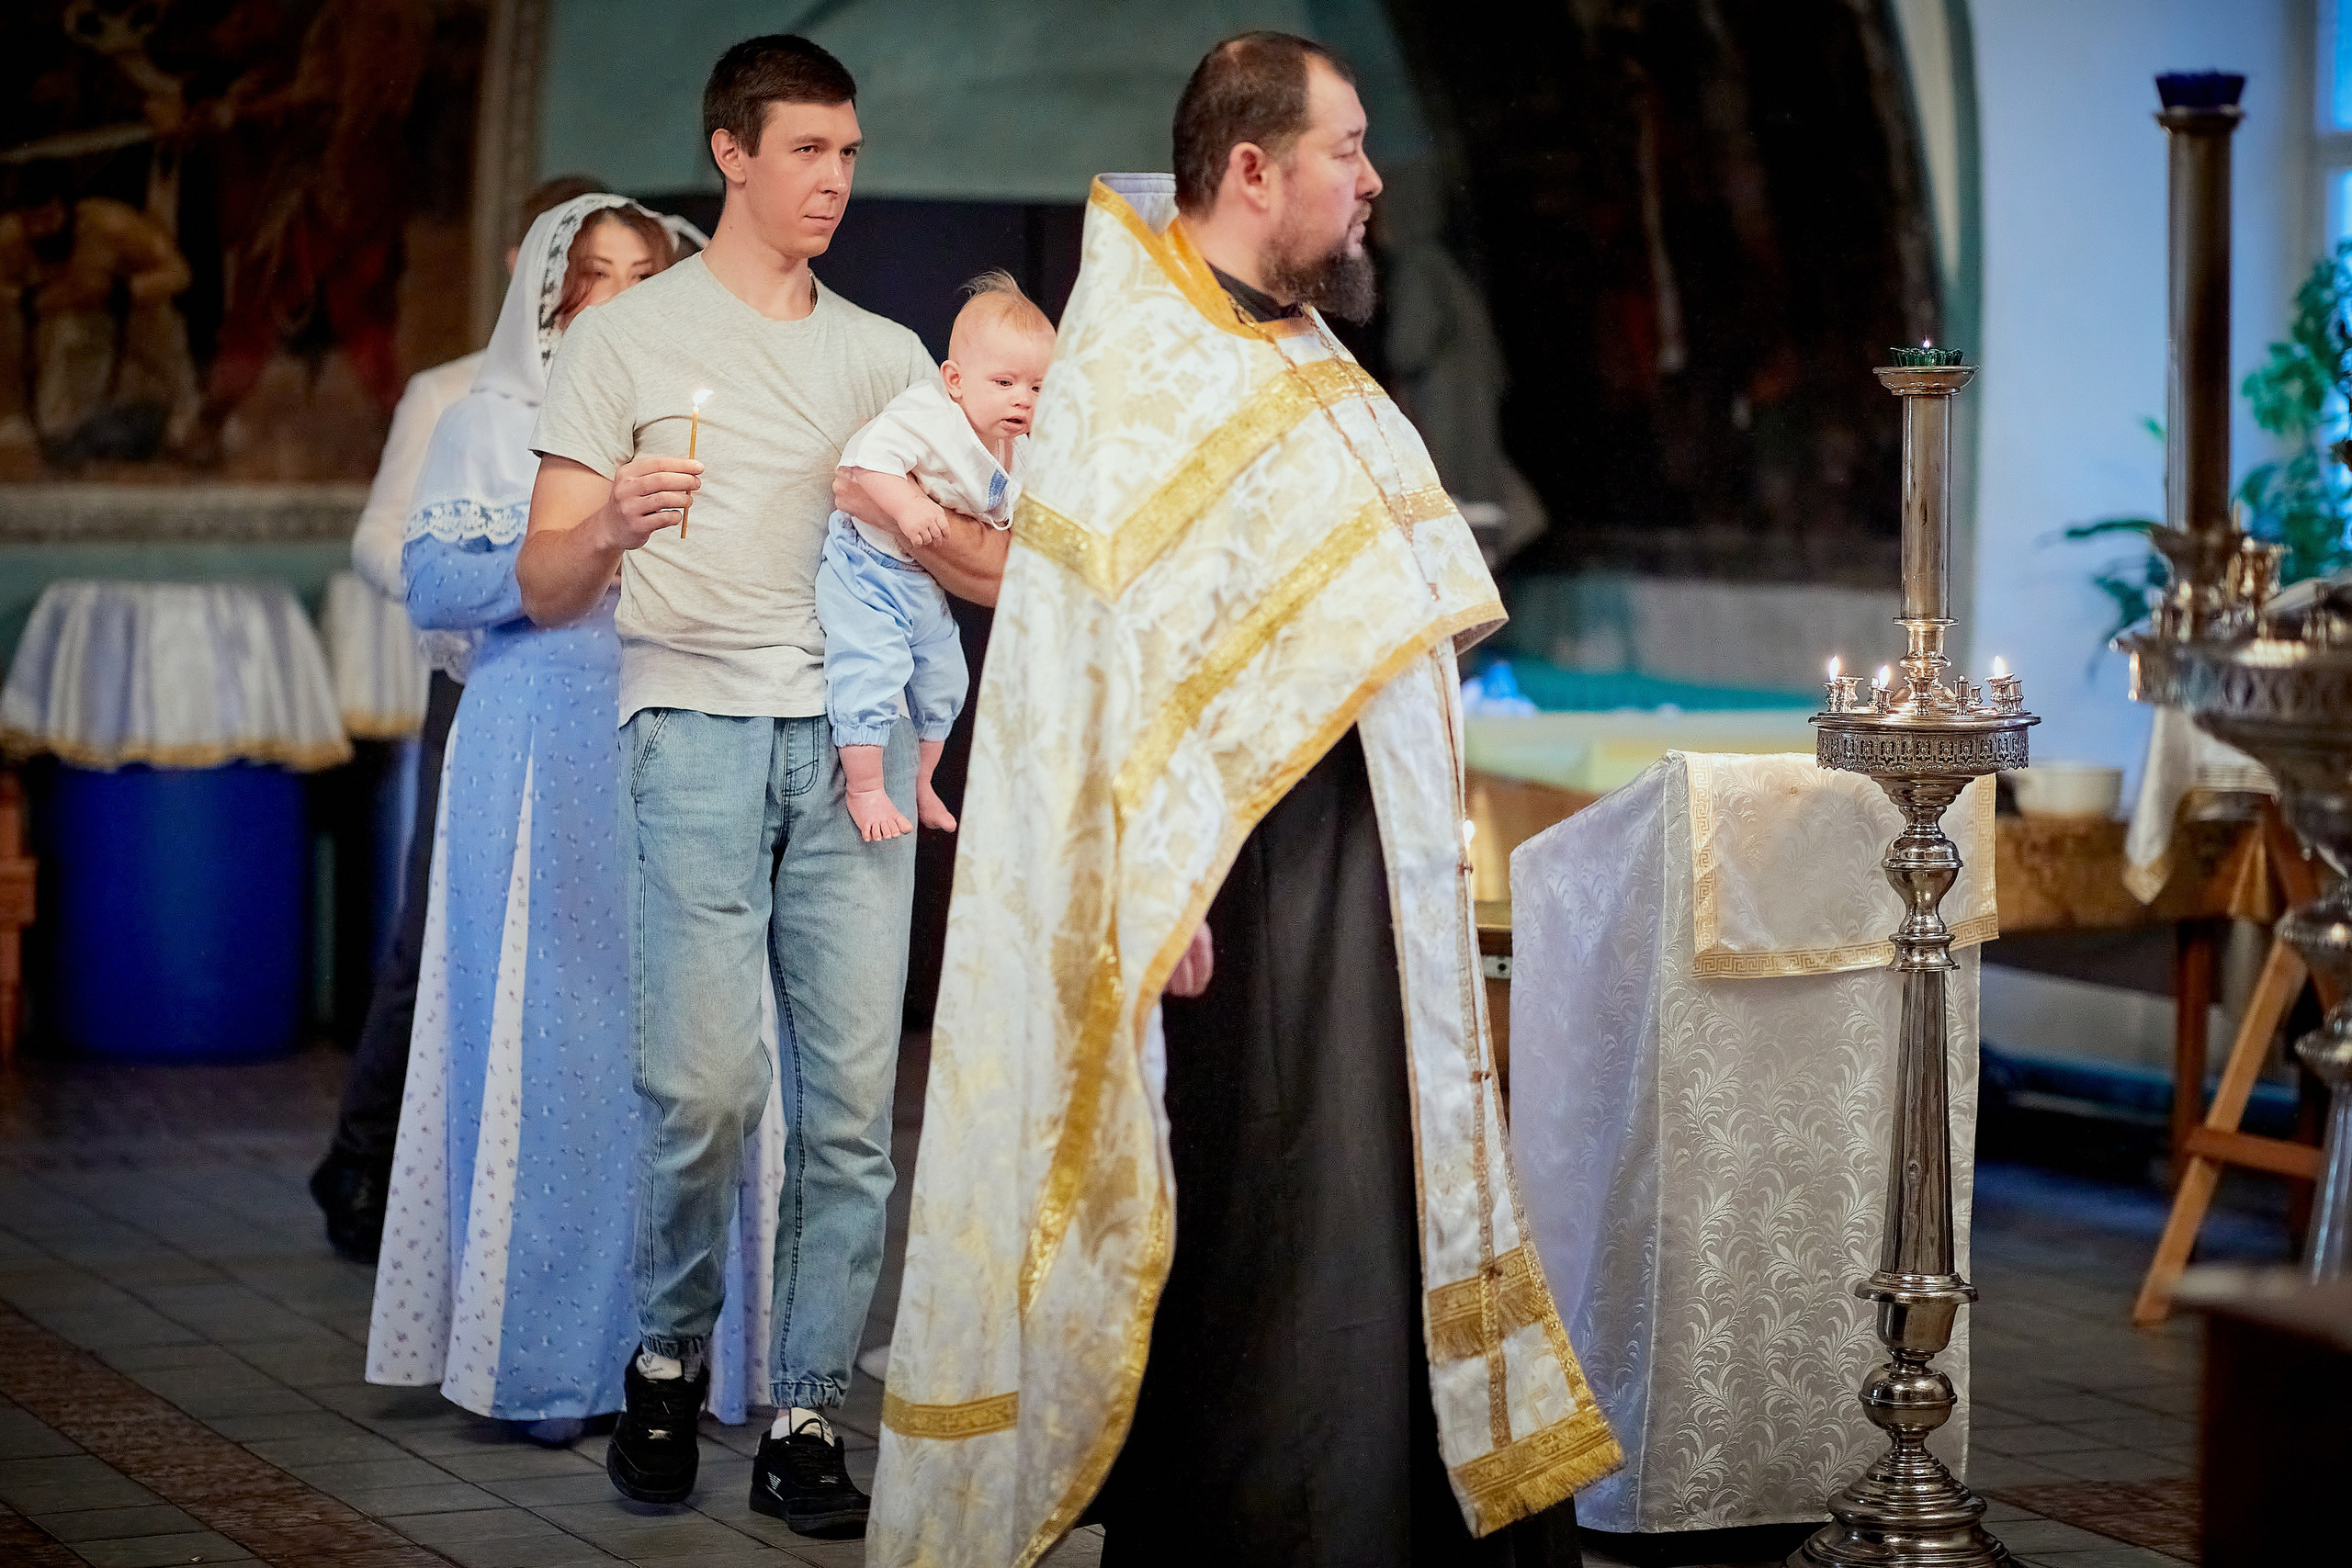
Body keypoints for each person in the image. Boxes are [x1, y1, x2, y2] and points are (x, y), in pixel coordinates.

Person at [867, 32, 1620, 1568]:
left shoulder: (1299, 349)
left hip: (1366, 870)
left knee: (1381, 1193)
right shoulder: (1143, 370)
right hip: (1242, 891)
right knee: (1289, 1218)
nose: (1373, 182)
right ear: (1254, 168)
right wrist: (1158, 870)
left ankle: (1411, 1515)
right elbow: (1098, 666)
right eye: (1347, 150)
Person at [515, 34, 957, 1534]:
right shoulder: (623, 342)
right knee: (703, 1088)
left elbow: (983, 557)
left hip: (856, 747)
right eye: (808, 150)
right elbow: (547, 581)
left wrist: (930, 522)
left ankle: (808, 1415)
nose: (836, 179)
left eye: (850, 152)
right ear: (732, 154)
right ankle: (666, 1348)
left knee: (851, 1113)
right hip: (692, 727)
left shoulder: (889, 355)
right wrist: (610, 528)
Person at [368, 194, 785, 1445]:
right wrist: (579, 540)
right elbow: (433, 581)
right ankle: (549, 1361)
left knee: (685, 1046)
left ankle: (675, 1350)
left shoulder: (708, 411)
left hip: (684, 728)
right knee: (546, 1045)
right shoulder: (491, 418)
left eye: (642, 272)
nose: (616, 294)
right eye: (592, 273)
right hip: (539, 744)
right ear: (551, 294)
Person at [311, 174, 606, 1265]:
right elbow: (382, 537)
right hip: (487, 673)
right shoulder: (451, 394)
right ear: (524, 267)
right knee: (435, 918)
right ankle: (362, 1160)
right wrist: (497, 590)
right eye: (580, 267)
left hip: (608, 688)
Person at [820, 270, 1051, 840]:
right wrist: (906, 505)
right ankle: (865, 789)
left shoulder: (1020, 446)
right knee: (871, 668)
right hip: (866, 565)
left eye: (1036, 387)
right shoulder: (928, 413)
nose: (1021, 399)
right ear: (954, 380)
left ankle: (921, 781)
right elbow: (863, 464)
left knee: (946, 677)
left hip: (920, 577)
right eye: (1004, 382)